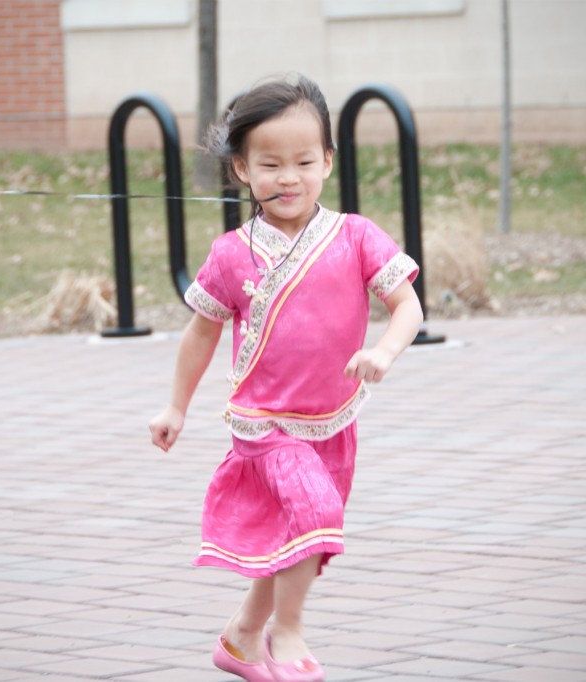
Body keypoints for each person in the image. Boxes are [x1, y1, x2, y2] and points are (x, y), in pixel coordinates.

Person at [149, 73, 423, 682]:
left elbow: (409, 307)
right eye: (270, 164)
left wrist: (383, 352)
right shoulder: (231, 253)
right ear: (242, 170)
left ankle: (241, 637)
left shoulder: (355, 237)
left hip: (333, 419)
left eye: (304, 161)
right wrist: (176, 408)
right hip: (265, 422)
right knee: (315, 511)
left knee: (306, 537)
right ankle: (285, 633)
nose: (289, 177)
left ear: (327, 160)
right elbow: (201, 332)